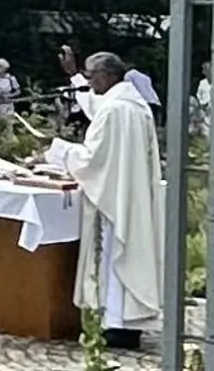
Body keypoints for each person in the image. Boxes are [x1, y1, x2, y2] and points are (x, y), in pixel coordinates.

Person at [46, 51, 165, 350]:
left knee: (112, 256)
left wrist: (58, 150)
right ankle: (126, 323)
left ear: (107, 76)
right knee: (126, 256)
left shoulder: (115, 111)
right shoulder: (133, 105)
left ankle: (114, 324)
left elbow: (92, 158)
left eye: (91, 75)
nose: (88, 81)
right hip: (130, 196)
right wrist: (73, 75)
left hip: (113, 202)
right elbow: (94, 106)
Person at [125, 61, 164, 127]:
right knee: (153, 123)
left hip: (142, 102)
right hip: (154, 100)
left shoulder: (128, 75)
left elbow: (129, 88)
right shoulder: (145, 77)